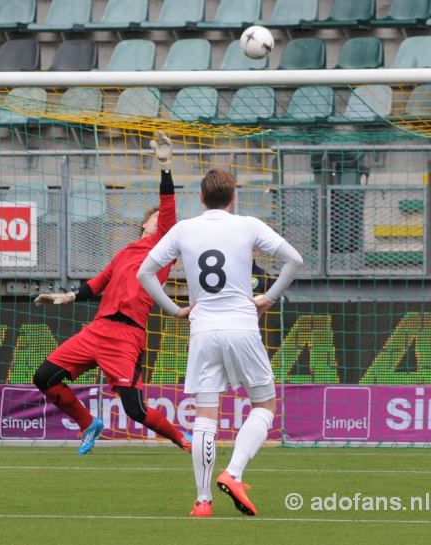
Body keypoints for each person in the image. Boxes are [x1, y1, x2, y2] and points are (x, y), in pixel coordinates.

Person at [137, 169, 303, 517]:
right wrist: (268, 297)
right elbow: (295, 260)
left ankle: (202, 501)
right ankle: (234, 472)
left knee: (204, 417)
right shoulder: (248, 225)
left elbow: (145, 273)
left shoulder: (184, 229)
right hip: (242, 325)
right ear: (233, 198)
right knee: (264, 406)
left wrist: (174, 309)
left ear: (200, 198)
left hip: (203, 330)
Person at [33, 132, 191, 455]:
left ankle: (183, 440)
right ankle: (87, 422)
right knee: (44, 377)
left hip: (126, 336)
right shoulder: (125, 253)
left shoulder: (162, 249)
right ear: (145, 223)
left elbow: (169, 205)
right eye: (157, 217)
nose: (163, 220)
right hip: (98, 329)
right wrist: (68, 296)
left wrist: (165, 166)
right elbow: (97, 284)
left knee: (135, 409)